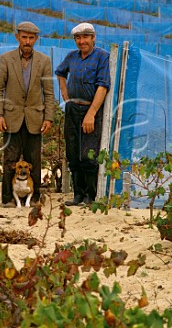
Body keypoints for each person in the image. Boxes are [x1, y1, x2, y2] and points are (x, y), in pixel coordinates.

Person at [0, 21, 55, 208]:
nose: (27, 41)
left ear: (36, 39)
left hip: (35, 118)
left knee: (34, 158)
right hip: (11, 118)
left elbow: (49, 93)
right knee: (10, 158)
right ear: (17, 37)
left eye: (31, 38)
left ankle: (35, 198)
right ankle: (7, 198)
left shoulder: (44, 61)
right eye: (24, 37)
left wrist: (49, 117)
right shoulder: (6, 59)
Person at [55, 22, 111, 206]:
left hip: (90, 109)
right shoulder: (72, 57)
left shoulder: (102, 57)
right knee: (73, 153)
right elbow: (60, 72)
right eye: (78, 38)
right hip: (72, 109)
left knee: (89, 154)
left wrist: (91, 114)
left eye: (85, 37)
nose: (82, 41)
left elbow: (103, 86)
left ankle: (90, 196)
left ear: (93, 38)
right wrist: (64, 90)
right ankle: (77, 195)